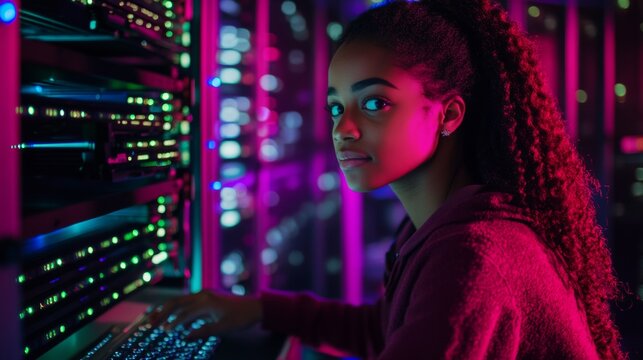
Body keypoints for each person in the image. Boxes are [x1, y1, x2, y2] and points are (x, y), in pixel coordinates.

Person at [150, 0, 627, 358]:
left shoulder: (475, 256)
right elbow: (384, 330)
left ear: (449, 114)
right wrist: (259, 310)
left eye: (374, 102)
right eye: (337, 107)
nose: (343, 129)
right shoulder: (445, 225)